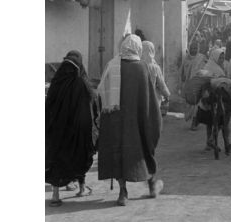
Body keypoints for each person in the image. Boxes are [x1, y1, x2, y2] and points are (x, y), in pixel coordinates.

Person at [97, 34, 163, 206]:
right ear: (137, 48)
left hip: (116, 121)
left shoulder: (112, 65)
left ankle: (122, 192)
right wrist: (153, 120)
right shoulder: (141, 67)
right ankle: (152, 185)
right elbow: (148, 100)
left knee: (119, 153)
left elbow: (101, 91)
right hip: (138, 121)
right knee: (145, 150)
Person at [46, 50, 98, 206]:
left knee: (57, 159)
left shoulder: (56, 82)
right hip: (77, 132)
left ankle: (55, 195)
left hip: (57, 131)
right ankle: (82, 188)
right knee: (79, 156)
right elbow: (90, 108)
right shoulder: (81, 84)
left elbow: (48, 106)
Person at [179, 41, 207, 129]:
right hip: (188, 85)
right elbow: (182, 71)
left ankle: (194, 123)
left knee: (197, 104)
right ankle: (193, 120)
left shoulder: (201, 58)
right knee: (188, 104)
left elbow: (205, 70)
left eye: (195, 48)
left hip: (198, 85)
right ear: (189, 48)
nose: (193, 50)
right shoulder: (186, 58)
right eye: (192, 48)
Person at [141, 41, 171, 107]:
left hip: (140, 99)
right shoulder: (155, 67)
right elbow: (161, 84)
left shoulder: (137, 65)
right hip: (153, 99)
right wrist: (167, 95)